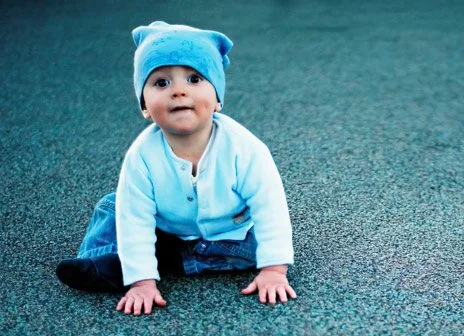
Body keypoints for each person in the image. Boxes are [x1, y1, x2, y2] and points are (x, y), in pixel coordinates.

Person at [56, 21, 296, 315]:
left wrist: (274, 269)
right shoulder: (141, 156)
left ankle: (163, 259)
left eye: (194, 79)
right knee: (114, 206)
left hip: (229, 237)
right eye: (161, 83)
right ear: (144, 106)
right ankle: (103, 261)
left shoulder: (245, 149)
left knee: (258, 242)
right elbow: (135, 218)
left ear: (218, 98)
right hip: (165, 227)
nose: (179, 91)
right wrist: (141, 282)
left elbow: (269, 206)